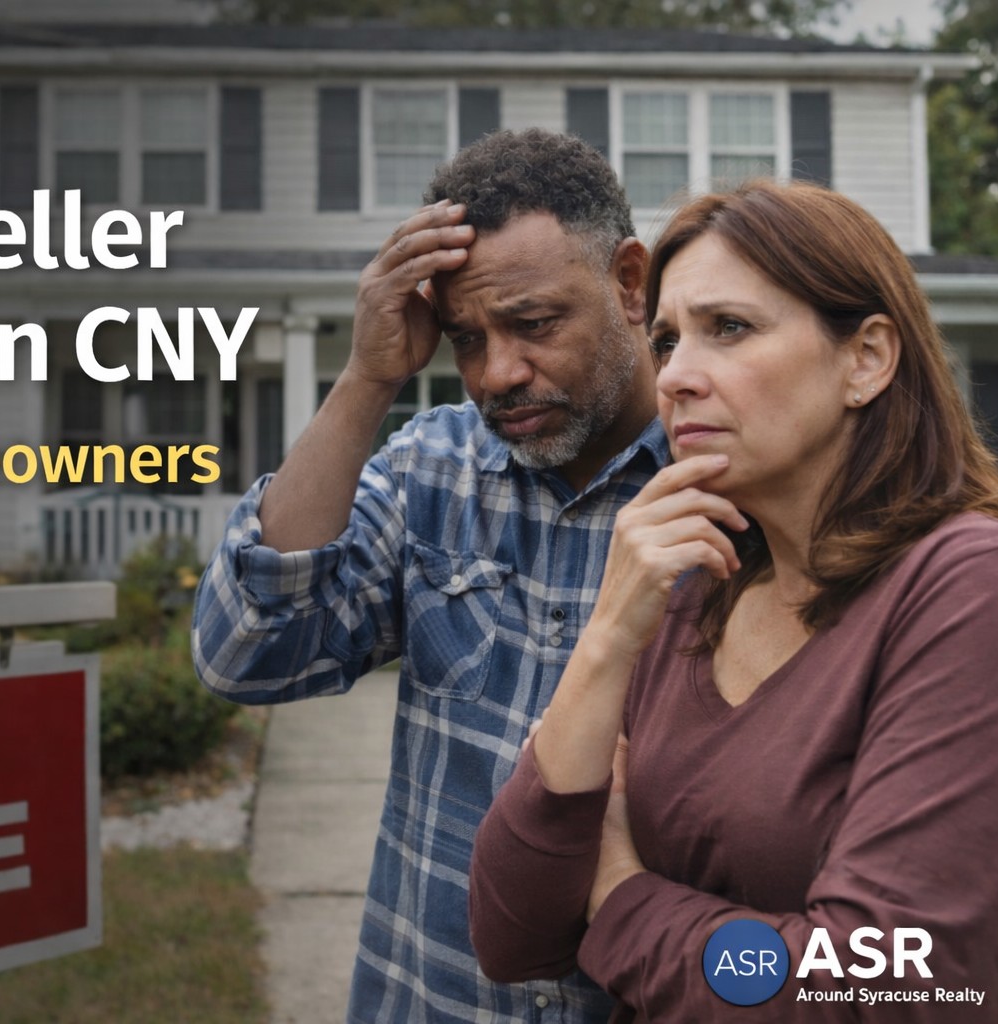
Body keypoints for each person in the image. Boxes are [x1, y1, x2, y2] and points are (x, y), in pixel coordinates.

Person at [469, 180, 998, 1021]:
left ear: (866, 359)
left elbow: (892, 991)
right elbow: (511, 933)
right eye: (664, 341)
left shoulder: (974, 588)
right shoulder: (699, 582)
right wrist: (609, 638)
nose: (678, 378)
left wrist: (619, 894)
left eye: (729, 329)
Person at [193, 127, 665, 1022]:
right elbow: (241, 653)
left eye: (534, 324)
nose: (498, 374)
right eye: (466, 338)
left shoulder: (725, 486)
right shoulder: (433, 469)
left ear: (630, 283)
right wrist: (369, 378)